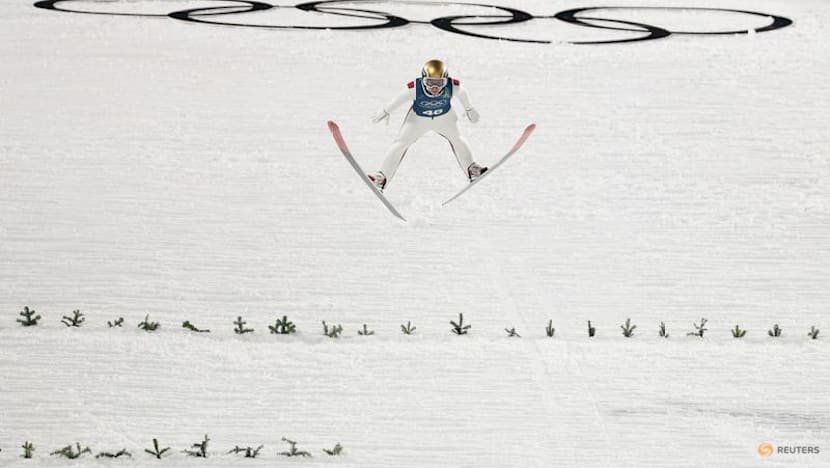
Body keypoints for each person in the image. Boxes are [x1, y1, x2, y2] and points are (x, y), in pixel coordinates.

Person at [368, 59, 486, 191]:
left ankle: (472, 169)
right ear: (423, 79)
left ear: (445, 80)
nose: (434, 88)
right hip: (418, 120)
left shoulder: (452, 86)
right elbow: (399, 99)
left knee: (458, 139)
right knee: (400, 143)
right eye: (430, 83)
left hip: (445, 118)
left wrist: (469, 109)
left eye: (439, 83)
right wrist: (386, 110)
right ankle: (381, 177)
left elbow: (462, 93)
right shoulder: (414, 88)